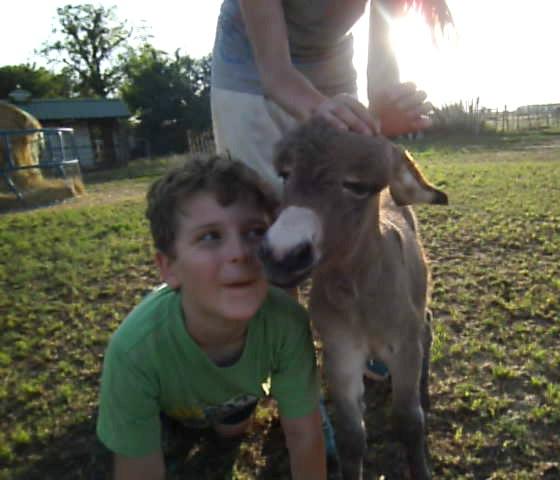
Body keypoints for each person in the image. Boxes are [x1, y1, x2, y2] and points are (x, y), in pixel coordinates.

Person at [96, 154, 326, 479]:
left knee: (231, 431)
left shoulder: (288, 323)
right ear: (168, 268)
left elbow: (305, 436)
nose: (239, 253)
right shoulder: (134, 351)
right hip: (166, 405)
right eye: (209, 237)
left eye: (255, 232)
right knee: (158, 442)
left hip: (232, 399)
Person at [210, 0, 452, 196]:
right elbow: (277, 76)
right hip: (251, 68)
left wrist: (381, 117)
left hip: (333, 66)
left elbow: (382, 79)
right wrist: (323, 110)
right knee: (262, 203)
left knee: (341, 197)